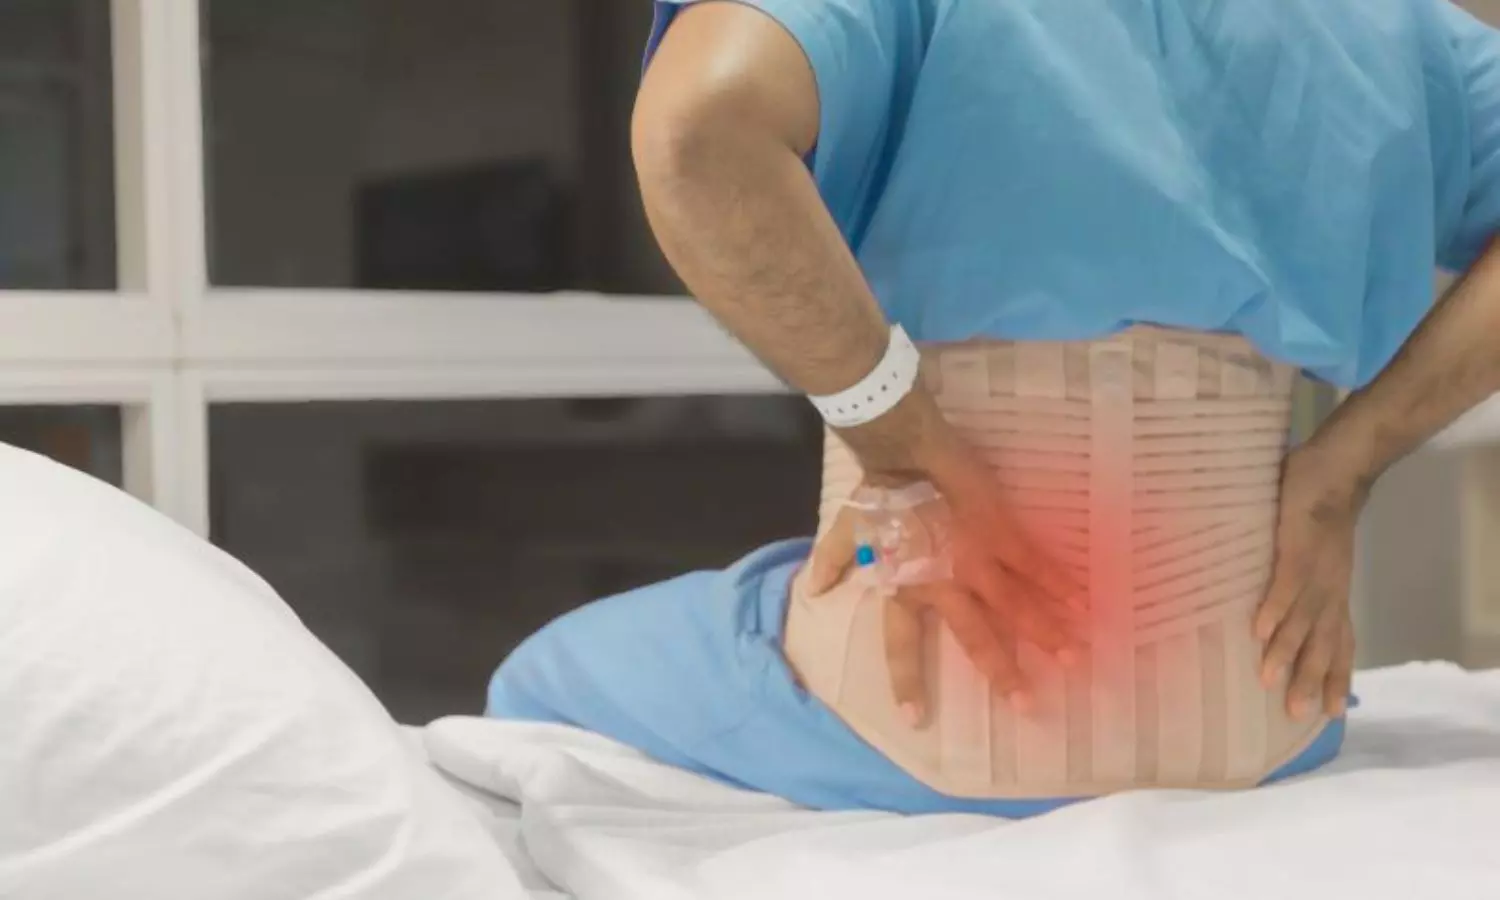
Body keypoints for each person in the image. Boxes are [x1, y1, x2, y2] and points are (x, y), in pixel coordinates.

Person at [487, 0, 1500, 814]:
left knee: (537, 679)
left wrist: (903, 449)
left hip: (907, 732)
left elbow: (697, 131)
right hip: (1267, 723)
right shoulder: (1388, 23)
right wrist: (1341, 471)